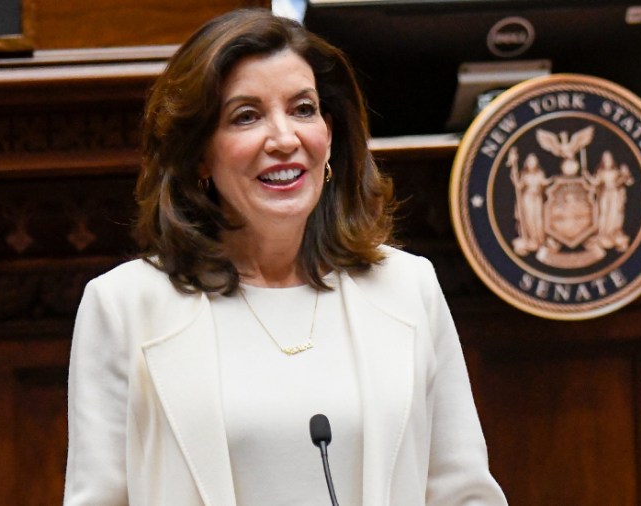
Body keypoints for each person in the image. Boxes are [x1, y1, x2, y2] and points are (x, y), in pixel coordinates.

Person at [64, 8, 507, 506]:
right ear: (200, 156)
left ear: (330, 132)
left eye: (302, 109)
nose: (284, 140)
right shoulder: (124, 307)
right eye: (246, 116)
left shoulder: (407, 287)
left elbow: (464, 495)